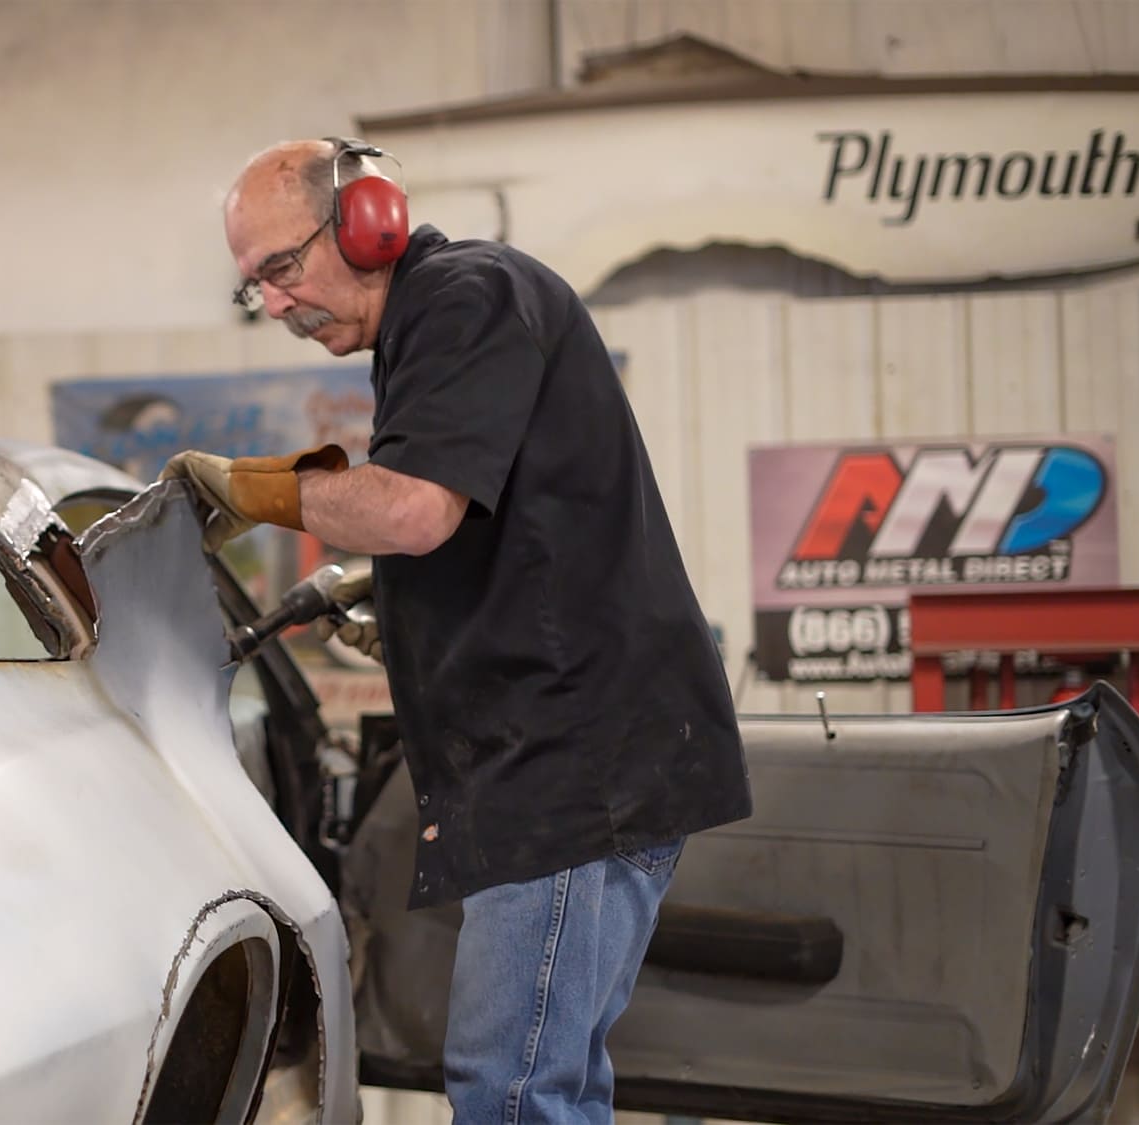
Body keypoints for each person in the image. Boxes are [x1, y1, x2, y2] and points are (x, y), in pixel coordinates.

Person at [160, 137, 752, 1124]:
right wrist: (409, 619)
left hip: (569, 773)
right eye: (250, 286)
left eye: (280, 268)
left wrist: (255, 486)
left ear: (368, 223)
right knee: (548, 1084)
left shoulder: (461, 298)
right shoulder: (433, 325)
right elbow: (503, 532)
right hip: (577, 760)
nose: (271, 302)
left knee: (513, 1092)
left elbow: (411, 512)